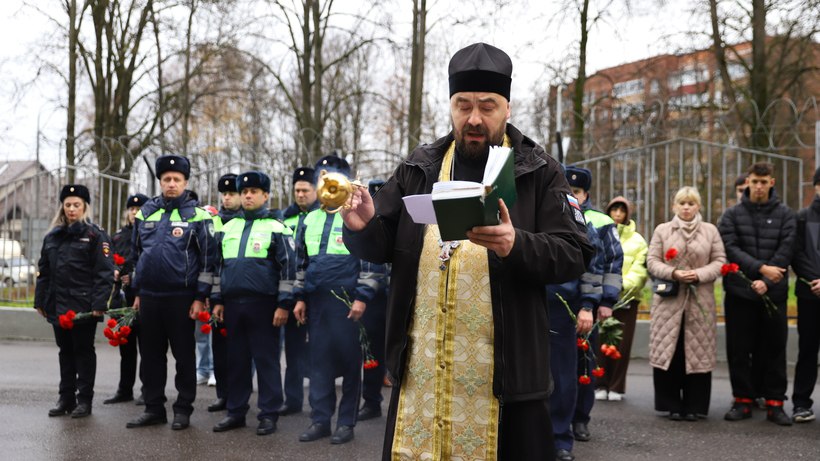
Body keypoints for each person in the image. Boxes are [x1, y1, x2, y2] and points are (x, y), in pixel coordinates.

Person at [340, 42, 594, 460]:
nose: (474, 118)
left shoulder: (539, 170)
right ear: (451, 106)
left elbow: (576, 252)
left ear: (507, 109)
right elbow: (385, 245)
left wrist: (518, 244)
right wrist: (364, 225)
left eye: (487, 106)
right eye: (463, 106)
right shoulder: (419, 166)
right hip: (425, 373)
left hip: (505, 381)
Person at [292, 154, 385, 445]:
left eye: (331, 177)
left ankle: (346, 423)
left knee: (349, 365)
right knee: (319, 364)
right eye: (321, 178)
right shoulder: (309, 220)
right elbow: (300, 263)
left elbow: (372, 264)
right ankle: (320, 420)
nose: (325, 182)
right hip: (317, 304)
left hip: (349, 305)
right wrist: (299, 298)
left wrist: (362, 297)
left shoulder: (356, 217)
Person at [127, 154, 217, 431]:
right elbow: (136, 255)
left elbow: (208, 261)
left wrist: (200, 297)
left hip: (182, 298)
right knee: (151, 357)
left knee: (184, 357)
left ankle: (183, 410)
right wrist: (137, 292)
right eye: (166, 179)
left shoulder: (199, 215)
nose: (171, 184)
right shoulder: (145, 213)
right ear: (160, 182)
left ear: (185, 182)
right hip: (150, 297)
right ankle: (154, 408)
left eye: (177, 179)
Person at [210, 171, 296, 436]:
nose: (248, 195)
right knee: (236, 360)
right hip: (233, 305)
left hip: (265, 305)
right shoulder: (228, 228)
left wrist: (283, 304)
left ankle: (268, 414)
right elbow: (217, 267)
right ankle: (236, 412)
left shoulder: (277, 227)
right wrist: (217, 301)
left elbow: (289, 270)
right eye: (244, 191)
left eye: (254, 192)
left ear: (265, 196)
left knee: (266, 360)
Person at [718, 162, 796, 426]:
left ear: (772, 183)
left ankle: (775, 403)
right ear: (748, 182)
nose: (759, 187)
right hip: (741, 292)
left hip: (774, 293)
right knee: (739, 350)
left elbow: (787, 248)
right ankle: (742, 400)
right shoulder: (731, 215)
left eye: (764, 182)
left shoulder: (786, 215)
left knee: (774, 349)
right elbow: (731, 248)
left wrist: (767, 280)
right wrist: (761, 270)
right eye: (755, 182)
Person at [34, 184, 115, 418]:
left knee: (83, 352)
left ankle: (84, 400)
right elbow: (44, 271)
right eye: (68, 204)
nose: (71, 209)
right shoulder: (53, 237)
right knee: (65, 352)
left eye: (76, 205)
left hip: (83, 307)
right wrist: (40, 301)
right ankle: (65, 398)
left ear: (85, 207)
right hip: (57, 306)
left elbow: (104, 272)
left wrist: (99, 305)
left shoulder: (94, 235)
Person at [646, 187, 726, 421]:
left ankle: (695, 406)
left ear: (698, 206)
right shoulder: (662, 230)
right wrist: (674, 273)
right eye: (682, 203)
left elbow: (720, 261)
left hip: (700, 299)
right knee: (671, 348)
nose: (686, 207)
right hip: (669, 301)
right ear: (674, 206)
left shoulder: (710, 231)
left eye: (691, 203)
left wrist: (699, 274)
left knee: (697, 350)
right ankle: (670, 404)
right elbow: (652, 261)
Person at [564, 166, 624, 443]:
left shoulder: (600, 221)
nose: (571, 196)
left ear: (585, 193)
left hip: (591, 299)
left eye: (576, 192)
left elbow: (613, 262)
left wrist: (607, 301)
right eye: (567, 191)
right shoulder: (556, 213)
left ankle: (580, 419)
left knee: (584, 364)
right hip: (560, 300)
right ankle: (560, 420)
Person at [546, 174, 602, 461]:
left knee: (562, 379)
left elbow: (592, 266)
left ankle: (560, 439)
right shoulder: (524, 211)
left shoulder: (580, 222)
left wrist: (588, 305)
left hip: (561, 307)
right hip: (526, 307)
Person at [595, 196, 648, 402]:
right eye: (614, 210)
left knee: (622, 344)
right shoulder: (601, 234)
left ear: (627, 214)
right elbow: (597, 262)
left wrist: (619, 286)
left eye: (622, 211)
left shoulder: (638, 240)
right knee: (600, 342)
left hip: (626, 299)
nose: (617, 214)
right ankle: (600, 383)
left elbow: (639, 270)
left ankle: (617, 385)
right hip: (602, 297)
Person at [278, 166, 318, 416]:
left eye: (305, 190)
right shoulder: (285, 218)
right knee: (292, 351)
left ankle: (317, 402)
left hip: (314, 291)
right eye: (297, 190)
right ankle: (292, 400)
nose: (301, 194)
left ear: (315, 191)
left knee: (317, 350)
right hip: (290, 292)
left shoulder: (321, 215)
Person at [104, 193, 149, 405]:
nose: (134, 212)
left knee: (147, 347)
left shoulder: (150, 233)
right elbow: (108, 260)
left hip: (143, 296)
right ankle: (125, 389)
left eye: (139, 209)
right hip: (122, 298)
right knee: (126, 347)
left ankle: (147, 390)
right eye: (131, 208)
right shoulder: (118, 236)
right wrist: (113, 270)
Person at [206, 173, 241, 413]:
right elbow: (210, 259)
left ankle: (239, 395)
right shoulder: (213, 220)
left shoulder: (245, 220)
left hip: (239, 293)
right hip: (218, 293)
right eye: (224, 194)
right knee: (219, 348)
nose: (227, 198)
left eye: (232, 194)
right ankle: (223, 395)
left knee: (239, 349)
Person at [357, 179, 390, 422]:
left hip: (400, 297)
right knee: (373, 352)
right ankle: (371, 402)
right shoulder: (365, 226)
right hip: (375, 300)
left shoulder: (399, 222)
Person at [790, 167, 820, 424]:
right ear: (816, 187)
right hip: (810, 295)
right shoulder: (802, 217)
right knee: (808, 351)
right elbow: (796, 254)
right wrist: (814, 280)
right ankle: (801, 404)